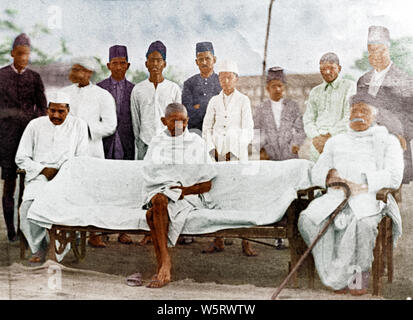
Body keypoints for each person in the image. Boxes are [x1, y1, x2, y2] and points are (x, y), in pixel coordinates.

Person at [298, 94, 404, 295]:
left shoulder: (387, 141)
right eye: (354, 110)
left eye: (364, 110)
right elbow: (317, 172)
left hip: (370, 198)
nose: (358, 114)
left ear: (374, 115)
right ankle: (334, 274)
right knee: (308, 219)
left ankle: (358, 275)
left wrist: (364, 185)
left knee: (362, 224)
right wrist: (330, 176)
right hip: (336, 196)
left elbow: (394, 176)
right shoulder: (336, 141)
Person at [141, 102, 217, 288]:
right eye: (174, 122)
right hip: (160, 192)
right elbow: (151, 177)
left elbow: (206, 183)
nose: (179, 126)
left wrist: (183, 191)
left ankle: (164, 265)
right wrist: (168, 189)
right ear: (163, 121)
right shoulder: (157, 143)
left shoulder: (196, 143)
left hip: (189, 196)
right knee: (158, 201)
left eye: (183, 122)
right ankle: (164, 264)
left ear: (188, 121)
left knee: (153, 212)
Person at [15, 91, 89, 263]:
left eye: (61, 111)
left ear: (68, 110)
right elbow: (21, 157)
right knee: (28, 207)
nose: (56, 115)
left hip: (67, 178)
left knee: (63, 205)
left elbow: (82, 158)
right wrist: (42, 169)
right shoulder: (35, 125)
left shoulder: (79, 125)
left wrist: (62, 172)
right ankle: (38, 247)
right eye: (52, 111)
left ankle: (59, 247)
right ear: (47, 109)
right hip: (39, 177)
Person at [61, 57, 117, 248]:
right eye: (73, 68)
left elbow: (110, 125)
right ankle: (70, 231)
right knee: (69, 190)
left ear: (88, 73)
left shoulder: (103, 95)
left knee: (93, 192)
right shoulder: (63, 93)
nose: (72, 73)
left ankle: (94, 233)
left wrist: (84, 128)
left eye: (77, 69)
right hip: (66, 150)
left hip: (91, 149)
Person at [202, 59, 255, 256]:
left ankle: (246, 241)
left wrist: (233, 150)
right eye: (222, 77)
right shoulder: (214, 101)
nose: (225, 81)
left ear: (236, 79)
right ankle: (218, 240)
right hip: (216, 154)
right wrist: (212, 149)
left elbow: (248, 130)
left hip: (236, 155)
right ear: (219, 79)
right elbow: (207, 127)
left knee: (240, 196)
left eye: (229, 77)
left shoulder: (244, 100)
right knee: (217, 195)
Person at [0, 33, 47, 241]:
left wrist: (33, 124)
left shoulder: (34, 77)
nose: (23, 58)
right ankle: (11, 230)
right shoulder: (1, 76)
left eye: (27, 54)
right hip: (7, 139)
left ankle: (24, 229)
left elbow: (43, 108)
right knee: (9, 185)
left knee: (28, 185)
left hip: (30, 140)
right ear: (12, 54)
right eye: (20, 54)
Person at [253, 66, 306, 250]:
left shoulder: (292, 107)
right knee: (273, 194)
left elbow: (300, 129)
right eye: (274, 86)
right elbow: (256, 132)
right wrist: (261, 151)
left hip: (288, 157)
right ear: (268, 88)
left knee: (290, 194)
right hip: (270, 158)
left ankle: (294, 233)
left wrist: (296, 144)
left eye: (281, 86)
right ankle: (277, 235)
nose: (278, 89)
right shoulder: (261, 109)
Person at [357, 25, 413, 183]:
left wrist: (400, 135)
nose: (377, 55)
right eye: (372, 50)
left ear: (389, 50)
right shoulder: (363, 80)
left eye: (381, 50)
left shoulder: (404, 79)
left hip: (395, 145)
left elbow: (411, 116)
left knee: (391, 190)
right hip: (368, 145)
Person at [97, 45, 135, 245]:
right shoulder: (99, 88)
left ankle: (122, 230)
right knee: (104, 184)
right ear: (108, 65)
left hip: (126, 141)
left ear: (128, 65)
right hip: (105, 141)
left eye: (122, 63)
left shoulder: (134, 90)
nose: (118, 67)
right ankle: (102, 229)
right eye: (115, 63)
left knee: (124, 185)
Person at [130, 40, 181, 160]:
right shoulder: (138, 89)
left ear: (164, 64)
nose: (155, 64)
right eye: (151, 60)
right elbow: (136, 121)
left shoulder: (173, 88)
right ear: (146, 63)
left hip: (168, 143)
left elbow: (178, 119)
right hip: (145, 143)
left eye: (158, 60)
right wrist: (139, 143)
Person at [303, 52, 356, 161]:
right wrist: (316, 138)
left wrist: (329, 136)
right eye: (323, 69)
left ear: (339, 68)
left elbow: (349, 116)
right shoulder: (315, 91)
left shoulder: (349, 86)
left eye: (331, 68)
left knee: (338, 176)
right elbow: (308, 119)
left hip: (339, 141)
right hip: (317, 146)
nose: (327, 72)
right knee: (316, 175)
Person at [182, 41, 221, 133]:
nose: (204, 62)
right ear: (196, 62)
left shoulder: (221, 81)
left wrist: (199, 107)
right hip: (195, 132)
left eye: (207, 59)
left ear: (214, 59)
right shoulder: (189, 84)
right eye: (200, 59)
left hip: (217, 132)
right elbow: (187, 111)